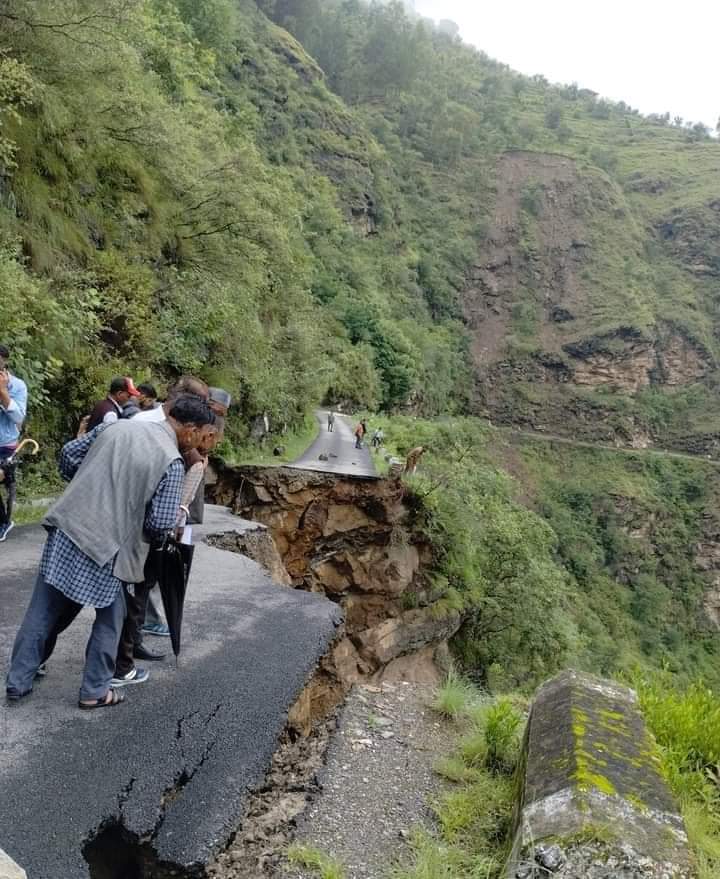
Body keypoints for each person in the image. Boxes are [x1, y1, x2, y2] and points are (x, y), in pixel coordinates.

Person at [5, 396, 215, 708]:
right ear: (189, 429)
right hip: (108, 546)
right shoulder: (171, 461)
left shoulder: (116, 428)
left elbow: (68, 454)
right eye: (201, 434)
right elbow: (159, 524)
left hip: (67, 526)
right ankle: (94, 690)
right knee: (112, 617)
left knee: (42, 609)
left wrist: (89, 480)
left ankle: (18, 681)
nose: (201, 442)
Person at [113, 412, 226, 682]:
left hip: (155, 534)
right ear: (205, 434)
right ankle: (124, 659)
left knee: (136, 597)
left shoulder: (178, 451)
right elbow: (177, 512)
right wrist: (177, 546)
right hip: (159, 537)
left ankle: (129, 647)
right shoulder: (191, 461)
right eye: (215, 440)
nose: (213, 445)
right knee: (138, 596)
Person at [0, 343, 28, 542]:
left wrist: (3, 392)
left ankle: (3, 522)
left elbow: (18, 417)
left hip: (5, 444)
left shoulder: (17, 386)